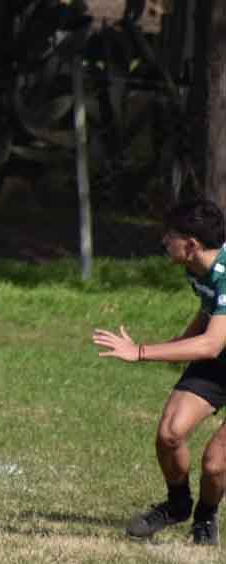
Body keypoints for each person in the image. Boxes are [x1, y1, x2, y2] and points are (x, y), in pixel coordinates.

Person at [93, 199, 226, 546]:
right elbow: (210, 311)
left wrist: (141, 352)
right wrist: (177, 345)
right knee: (170, 433)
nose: (164, 241)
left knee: (216, 464)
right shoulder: (198, 267)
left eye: (170, 235)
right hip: (220, 360)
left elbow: (211, 344)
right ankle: (178, 505)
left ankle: (205, 516)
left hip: (216, 350)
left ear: (191, 244)